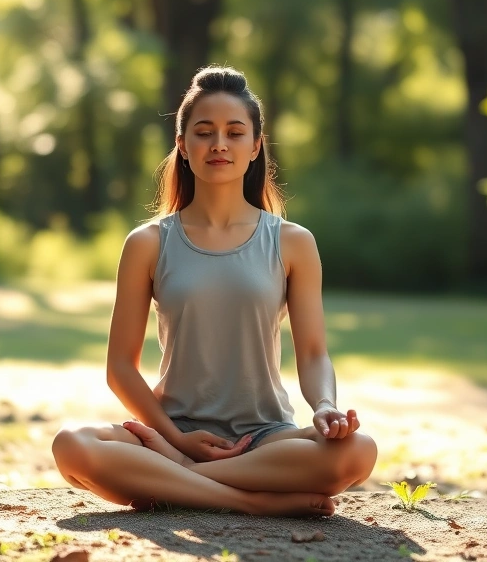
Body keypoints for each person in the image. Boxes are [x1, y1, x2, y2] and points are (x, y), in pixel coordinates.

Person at [52, 65, 378, 518]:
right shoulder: (148, 243)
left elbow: (313, 353)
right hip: (172, 431)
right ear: (183, 146)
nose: (219, 144)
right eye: (204, 133)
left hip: (265, 437)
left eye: (234, 133)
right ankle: (248, 500)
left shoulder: (293, 242)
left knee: (358, 451)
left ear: (255, 145)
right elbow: (120, 368)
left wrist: (325, 405)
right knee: (72, 445)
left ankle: (179, 479)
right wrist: (175, 441)